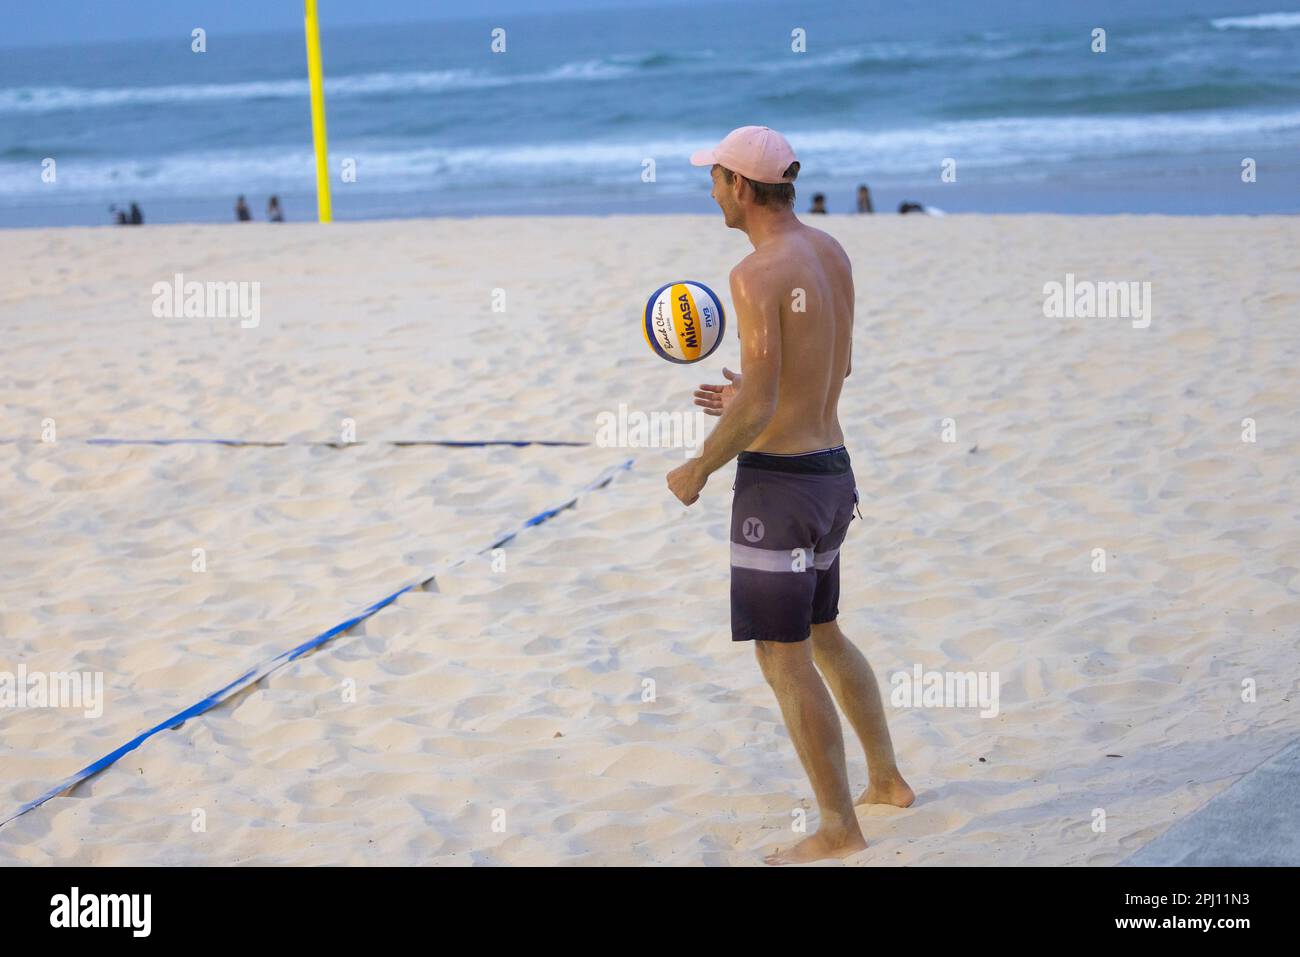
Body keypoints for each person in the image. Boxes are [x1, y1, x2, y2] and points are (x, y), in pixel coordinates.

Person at [668, 126, 912, 864]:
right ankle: (888, 779)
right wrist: (755, 394)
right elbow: (834, 365)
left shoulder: (755, 275)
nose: (710, 190)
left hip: (779, 489)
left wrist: (700, 466)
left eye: (714, 178)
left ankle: (839, 826)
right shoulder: (829, 251)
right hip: (834, 472)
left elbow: (762, 400)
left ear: (742, 187)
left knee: (783, 657)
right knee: (827, 633)